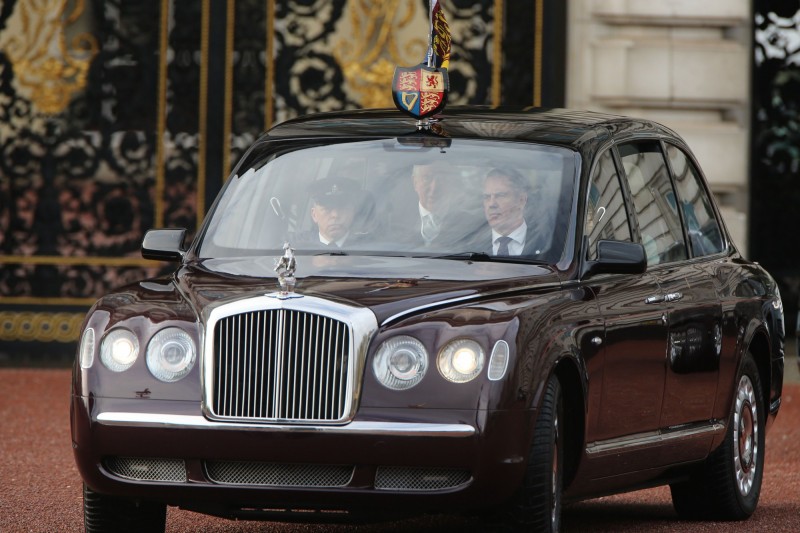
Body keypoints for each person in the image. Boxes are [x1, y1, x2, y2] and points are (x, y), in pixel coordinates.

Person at [481, 167, 545, 256]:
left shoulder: (546, 243)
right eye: (487, 197)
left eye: (500, 195)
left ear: (521, 200)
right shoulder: (467, 246)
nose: (491, 204)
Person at [298, 177, 369, 248]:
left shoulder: (370, 247)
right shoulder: (299, 248)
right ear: (314, 215)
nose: (335, 215)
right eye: (327, 209)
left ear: (353, 212)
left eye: (342, 208)